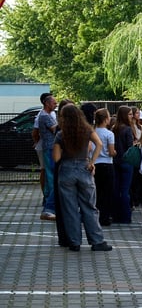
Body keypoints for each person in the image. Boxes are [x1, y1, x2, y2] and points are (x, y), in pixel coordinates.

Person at [52, 104, 112, 252]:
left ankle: (74, 242)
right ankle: (97, 241)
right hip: (84, 168)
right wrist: (92, 161)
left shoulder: (61, 134)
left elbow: (56, 158)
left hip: (66, 170)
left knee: (70, 208)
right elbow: (99, 143)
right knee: (89, 206)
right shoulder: (86, 130)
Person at [36, 93, 58, 221]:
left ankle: (49, 202)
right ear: (47, 103)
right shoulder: (45, 116)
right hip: (49, 148)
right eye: (54, 103)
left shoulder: (47, 114)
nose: (55, 105)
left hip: (50, 147)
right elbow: (55, 129)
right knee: (51, 176)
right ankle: (48, 204)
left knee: (51, 174)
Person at [112, 106, 135, 224]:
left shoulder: (114, 128)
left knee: (116, 189)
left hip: (115, 162)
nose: (132, 116)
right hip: (126, 162)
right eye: (130, 114)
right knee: (125, 190)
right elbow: (130, 147)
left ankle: (116, 215)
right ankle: (126, 216)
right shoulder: (127, 129)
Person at [92, 108, 115, 227]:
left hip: (95, 163)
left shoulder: (92, 132)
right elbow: (111, 152)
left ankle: (94, 216)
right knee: (107, 192)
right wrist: (115, 152)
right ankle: (105, 217)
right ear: (106, 119)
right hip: (107, 163)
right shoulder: (109, 134)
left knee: (96, 191)